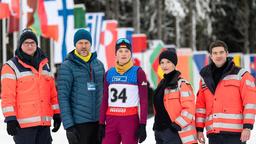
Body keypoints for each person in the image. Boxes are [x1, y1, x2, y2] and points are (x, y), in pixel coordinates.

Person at [1, 28, 61, 144]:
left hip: (43, 125)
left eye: (32, 43)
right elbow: (8, 96)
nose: (29, 46)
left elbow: (52, 93)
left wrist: (57, 114)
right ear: (20, 45)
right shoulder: (11, 67)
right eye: (26, 43)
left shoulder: (44, 65)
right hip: (23, 126)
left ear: (36, 45)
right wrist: (10, 118)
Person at [196, 40, 256, 144]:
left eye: (221, 52)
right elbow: (201, 106)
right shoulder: (204, 78)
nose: (218, 55)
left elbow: (250, 102)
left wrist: (247, 127)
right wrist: (199, 129)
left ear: (227, 53)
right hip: (213, 133)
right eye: (215, 53)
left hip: (236, 133)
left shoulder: (242, 75)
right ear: (210, 56)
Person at [57, 29, 105, 144]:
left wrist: (104, 121)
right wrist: (69, 126)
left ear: (90, 44)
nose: (83, 46)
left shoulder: (98, 65)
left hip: (98, 123)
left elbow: (105, 94)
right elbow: (63, 97)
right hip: (79, 125)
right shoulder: (67, 66)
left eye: (86, 43)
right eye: (80, 43)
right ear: (75, 45)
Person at [98, 38, 148, 144]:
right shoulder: (109, 73)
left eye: (126, 51)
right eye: (120, 51)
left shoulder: (138, 72)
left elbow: (144, 101)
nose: (123, 54)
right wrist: (101, 123)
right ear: (116, 54)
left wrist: (143, 124)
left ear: (131, 53)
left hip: (130, 121)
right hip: (111, 120)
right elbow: (105, 100)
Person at [153, 50, 198, 144]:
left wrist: (177, 125)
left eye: (168, 62)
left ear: (174, 63)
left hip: (175, 132)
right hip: (160, 132)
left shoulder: (182, 84)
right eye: (162, 62)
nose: (164, 65)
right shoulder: (161, 84)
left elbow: (189, 109)